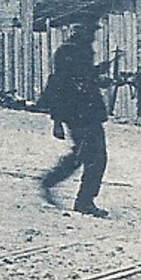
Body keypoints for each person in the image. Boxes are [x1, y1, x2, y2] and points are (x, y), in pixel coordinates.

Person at [37, 22, 113, 217]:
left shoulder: (83, 51)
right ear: (80, 31)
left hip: (88, 113)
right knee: (96, 157)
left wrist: (99, 73)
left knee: (84, 155)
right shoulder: (68, 52)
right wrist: (57, 121)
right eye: (91, 31)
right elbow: (59, 85)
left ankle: (51, 181)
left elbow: (84, 79)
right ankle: (84, 202)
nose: (94, 36)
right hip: (78, 114)